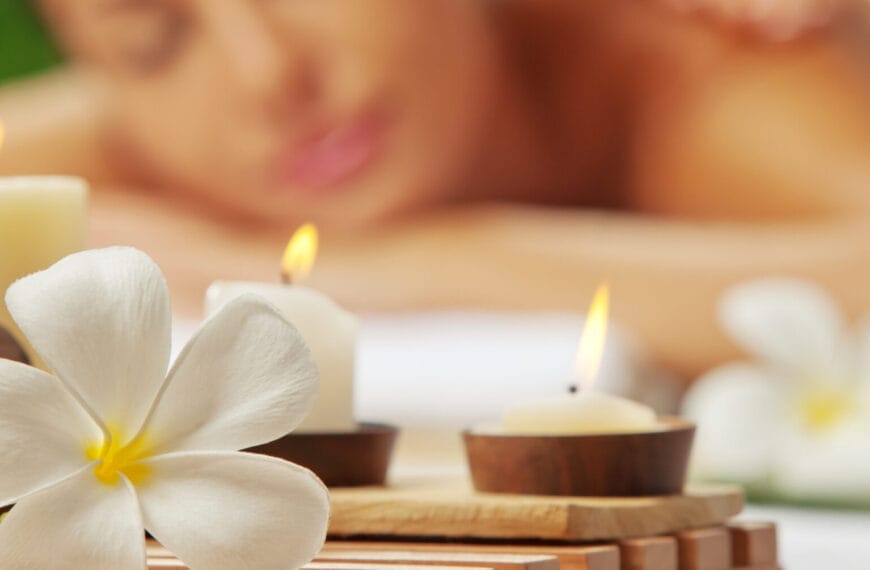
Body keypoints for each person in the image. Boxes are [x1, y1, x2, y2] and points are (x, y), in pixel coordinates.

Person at [0, 0, 867, 377]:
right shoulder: (136, 135)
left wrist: (421, 259)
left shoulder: (691, 67)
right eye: (153, 41)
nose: (266, 73)